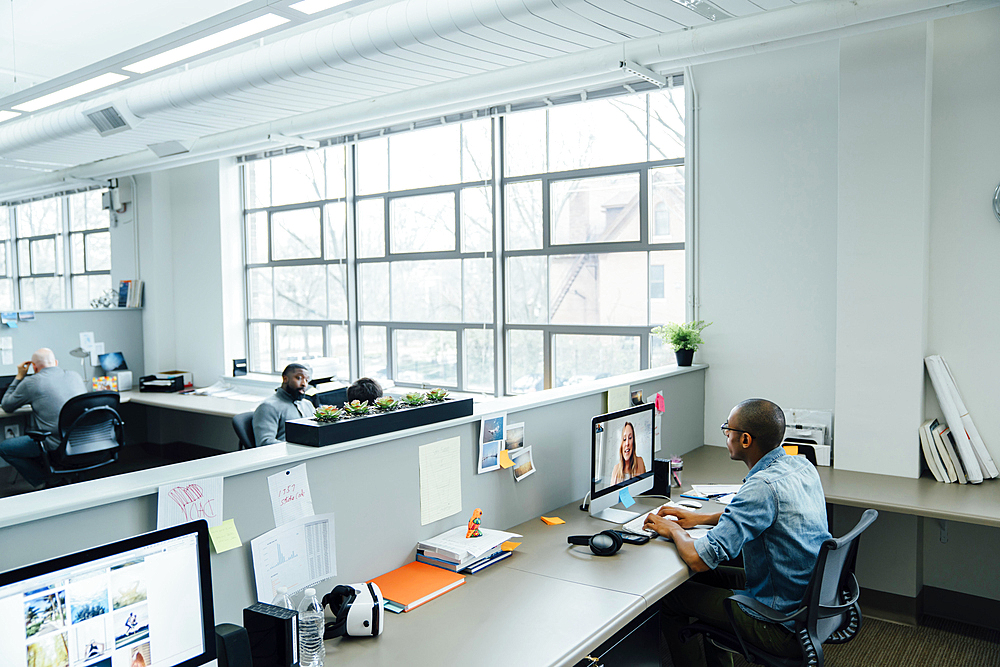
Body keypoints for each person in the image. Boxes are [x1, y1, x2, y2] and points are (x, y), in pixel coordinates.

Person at [644, 398, 831, 667]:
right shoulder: (800, 466)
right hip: (805, 604)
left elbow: (698, 558)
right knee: (709, 576)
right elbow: (765, 513)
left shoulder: (761, 486)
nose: (726, 435)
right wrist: (701, 518)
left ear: (744, 439)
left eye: (727, 429)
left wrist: (672, 529)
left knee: (671, 598)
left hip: (779, 624)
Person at [0, 348, 86, 488]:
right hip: (84, 439)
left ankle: (49, 480)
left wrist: (19, 376)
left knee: (4, 448)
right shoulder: (74, 375)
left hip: (56, 443)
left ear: (34, 367)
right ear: (56, 362)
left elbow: (7, 405)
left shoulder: (32, 382)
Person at [252, 363, 316, 447]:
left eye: (307, 380)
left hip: (309, 454)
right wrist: (299, 447)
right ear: (285, 379)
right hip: (286, 456)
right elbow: (265, 443)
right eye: (299, 378)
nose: (304, 384)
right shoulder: (268, 407)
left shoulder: (307, 404)